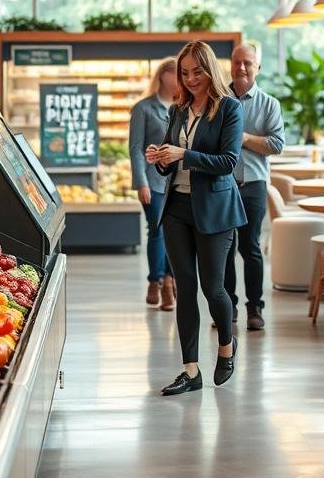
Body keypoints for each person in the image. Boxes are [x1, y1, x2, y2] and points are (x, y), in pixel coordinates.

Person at [147, 40, 248, 397]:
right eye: (185, 72)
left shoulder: (229, 109)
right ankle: (191, 370)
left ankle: (227, 345)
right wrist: (160, 157)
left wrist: (184, 153)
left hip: (215, 210)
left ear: (210, 70)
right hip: (176, 207)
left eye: (197, 72)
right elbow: (169, 160)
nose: (190, 79)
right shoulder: (178, 111)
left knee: (213, 288)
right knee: (184, 287)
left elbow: (228, 162)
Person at [223, 43, 285, 331]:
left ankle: (255, 308)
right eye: (237, 62)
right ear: (230, 65)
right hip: (222, 185)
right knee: (224, 248)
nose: (242, 68)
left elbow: (276, 144)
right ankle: (228, 308)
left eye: (248, 63)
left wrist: (243, 138)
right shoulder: (218, 100)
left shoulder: (269, 104)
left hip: (253, 184)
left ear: (257, 67)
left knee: (250, 248)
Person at [129, 57, 178, 311]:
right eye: (177, 73)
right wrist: (141, 182)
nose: (182, 78)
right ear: (163, 76)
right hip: (154, 181)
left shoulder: (185, 107)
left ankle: (169, 281)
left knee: (176, 233)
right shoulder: (144, 109)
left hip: (179, 181)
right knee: (157, 231)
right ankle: (155, 281)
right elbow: (136, 149)